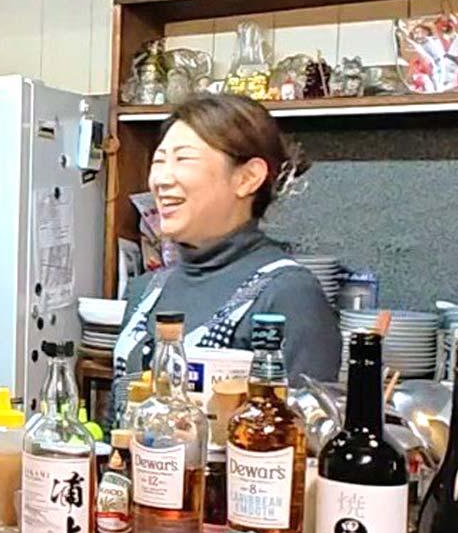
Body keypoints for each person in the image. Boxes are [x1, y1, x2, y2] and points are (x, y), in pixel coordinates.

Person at [113, 93, 339, 387]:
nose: (161, 179)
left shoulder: (288, 294)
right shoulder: (146, 290)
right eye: (159, 160)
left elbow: (304, 428)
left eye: (183, 159)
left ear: (248, 178)